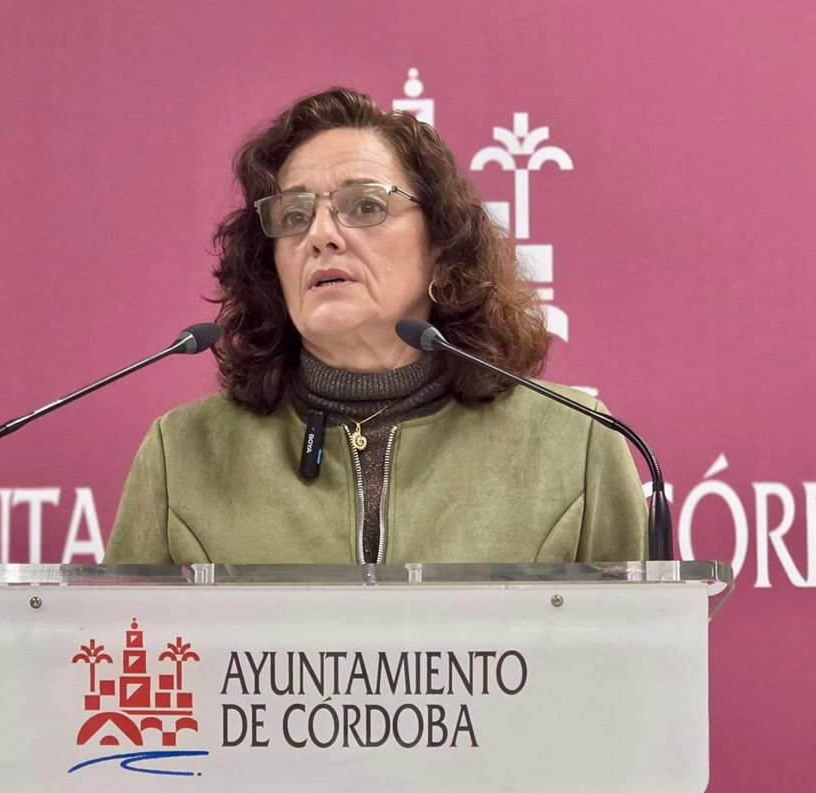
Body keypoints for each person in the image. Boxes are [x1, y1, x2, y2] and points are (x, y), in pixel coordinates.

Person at [105, 87, 646, 570]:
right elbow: (120, 644)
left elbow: (639, 647)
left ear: (441, 246)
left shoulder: (576, 444)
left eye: (364, 206)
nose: (320, 235)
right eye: (293, 216)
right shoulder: (183, 454)